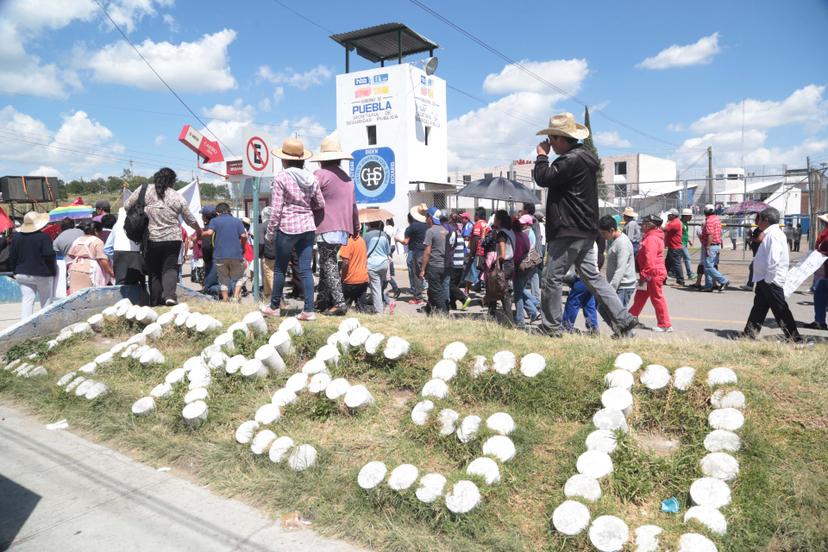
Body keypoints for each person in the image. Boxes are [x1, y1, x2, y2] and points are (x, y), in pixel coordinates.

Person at [533, 112, 638, 337]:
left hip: (568, 229)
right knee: (593, 278)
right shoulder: (585, 158)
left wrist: (542, 156)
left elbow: (544, 178)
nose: (549, 144)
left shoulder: (570, 159)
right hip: (585, 230)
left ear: (562, 138)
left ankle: (550, 327)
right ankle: (623, 318)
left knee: (551, 278)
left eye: (552, 139)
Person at [262, 138, 325, 320]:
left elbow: (276, 209)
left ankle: (274, 306)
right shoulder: (312, 178)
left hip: (287, 228)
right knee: (305, 270)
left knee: (281, 269)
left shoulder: (282, 177)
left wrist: (270, 233)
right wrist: (306, 208)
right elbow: (320, 203)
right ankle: (308, 310)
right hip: (308, 227)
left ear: (284, 160)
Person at [125, 167, 201, 306]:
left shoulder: (144, 189)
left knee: (154, 272)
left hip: (151, 239)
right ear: (172, 181)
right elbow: (190, 218)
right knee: (170, 268)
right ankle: (170, 296)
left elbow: (127, 205)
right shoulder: (176, 196)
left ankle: (155, 302)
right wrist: (199, 230)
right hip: (173, 239)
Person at [312, 133, 360, 316]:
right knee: (326, 263)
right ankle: (323, 300)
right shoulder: (347, 179)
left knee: (329, 263)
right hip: (343, 228)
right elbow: (354, 207)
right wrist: (356, 227)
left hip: (326, 226)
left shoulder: (320, 174)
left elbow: (310, 198)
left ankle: (339, 303)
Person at [741, 207, 802, 342]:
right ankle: (749, 335)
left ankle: (794, 338)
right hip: (765, 279)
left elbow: (773, 259)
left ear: (766, 220)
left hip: (770, 279)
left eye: (760, 220)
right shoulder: (771, 233)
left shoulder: (773, 234)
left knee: (781, 309)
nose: (758, 223)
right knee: (759, 308)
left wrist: (769, 279)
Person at [10, 211, 56, 319]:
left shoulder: (16, 237)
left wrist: (14, 271)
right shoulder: (44, 237)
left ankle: (25, 326)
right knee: (46, 301)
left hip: (22, 273)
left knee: (27, 300)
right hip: (42, 273)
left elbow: (12, 256)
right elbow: (48, 254)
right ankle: (46, 324)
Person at [201, 202, 247, 302]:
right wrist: (242, 247)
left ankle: (225, 300)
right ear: (229, 210)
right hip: (236, 254)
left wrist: (200, 233)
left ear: (217, 212)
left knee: (223, 279)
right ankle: (235, 297)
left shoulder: (214, 221)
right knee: (239, 277)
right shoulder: (237, 221)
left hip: (220, 255)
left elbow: (209, 233)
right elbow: (244, 236)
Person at [597, 215, 637, 315]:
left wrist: (611, 289)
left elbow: (621, 269)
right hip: (618, 285)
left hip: (623, 286)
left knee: (616, 314)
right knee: (606, 310)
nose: (602, 236)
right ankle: (622, 330)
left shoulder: (622, 243)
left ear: (611, 230)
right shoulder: (613, 240)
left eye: (603, 233)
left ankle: (627, 331)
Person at [66, 220, 114, 293]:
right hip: (90, 271)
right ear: (96, 230)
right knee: (88, 296)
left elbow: (70, 253)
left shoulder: (78, 239)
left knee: (75, 294)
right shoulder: (97, 241)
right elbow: (102, 260)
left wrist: (81, 257)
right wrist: (111, 273)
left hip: (75, 268)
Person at [483, 210, 514, 320]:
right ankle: (491, 315)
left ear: (499, 220)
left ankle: (508, 319)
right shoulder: (510, 231)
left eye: (495, 218)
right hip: (511, 264)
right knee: (497, 289)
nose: (493, 220)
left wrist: (494, 262)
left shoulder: (502, 233)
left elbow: (503, 254)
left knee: (500, 291)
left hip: (504, 265)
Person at [420, 208, 451, 315]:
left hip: (434, 266)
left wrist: (422, 269)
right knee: (435, 289)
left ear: (430, 218)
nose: (425, 219)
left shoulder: (430, 231)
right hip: (445, 266)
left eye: (426, 217)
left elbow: (427, 252)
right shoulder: (445, 230)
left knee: (436, 291)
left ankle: (445, 315)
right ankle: (430, 309)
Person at [104, 207, 145, 289]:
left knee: (120, 284)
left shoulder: (117, 226)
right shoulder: (140, 223)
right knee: (138, 281)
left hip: (119, 253)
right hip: (136, 255)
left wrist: (116, 257)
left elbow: (107, 248)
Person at [397, 205, 428, 305]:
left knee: (417, 275)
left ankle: (418, 298)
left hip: (417, 253)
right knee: (428, 275)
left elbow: (406, 242)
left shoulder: (411, 227)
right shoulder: (428, 225)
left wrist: (397, 239)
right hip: (428, 252)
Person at [513, 214, 540, 328]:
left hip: (523, 265)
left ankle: (520, 320)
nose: (522, 224)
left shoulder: (526, 234)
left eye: (523, 223)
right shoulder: (528, 233)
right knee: (521, 291)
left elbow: (520, 252)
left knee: (518, 294)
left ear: (529, 224)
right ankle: (534, 310)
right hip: (528, 265)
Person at [803, 213, 828, 330]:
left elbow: (822, 250)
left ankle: (820, 321)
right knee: (819, 297)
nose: (824, 224)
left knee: (820, 296)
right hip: (822, 271)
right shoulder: (824, 234)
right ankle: (819, 321)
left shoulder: (826, 236)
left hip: (825, 272)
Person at [365, 220, 395, 314]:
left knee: (376, 288)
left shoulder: (367, 235)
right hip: (384, 264)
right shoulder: (384, 235)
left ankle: (379, 311)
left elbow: (364, 250)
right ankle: (388, 302)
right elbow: (388, 251)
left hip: (372, 264)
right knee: (379, 287)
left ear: (370, 224)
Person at [700, 203, 729, 292]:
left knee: (708, 267)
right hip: (716, 245)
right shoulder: (716, 219)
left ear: (706, 211)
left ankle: (723, 280)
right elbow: (719, 232)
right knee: (709, 266)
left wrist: (708, 247)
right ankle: (708, 286)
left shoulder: (709, 221)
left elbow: (710, 234)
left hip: (711, 246)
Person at [338, 233, 369, 309]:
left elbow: (345, 262)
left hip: (350, 280)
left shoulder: (348, 242)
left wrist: (341, 275)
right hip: (363, 278)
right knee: (361, 308)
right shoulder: (362, 241)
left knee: (344, 308)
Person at [463, 207, 488, 295]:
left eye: (475, 214)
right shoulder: (486, 224)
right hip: (484, 252)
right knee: (481, 272)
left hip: (477, 252)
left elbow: (476, 239)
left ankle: (466, 292)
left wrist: (471, 253)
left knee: (470, 272)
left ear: (477, 215)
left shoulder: (478, 224)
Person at [448, 215, 471, 310]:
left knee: (451, 285)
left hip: (455, 264)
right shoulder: (460, 234)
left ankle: (464, 299)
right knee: (454, 285)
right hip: (460, 264)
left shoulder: (454, 234)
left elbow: (450, 248)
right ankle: (452, 304)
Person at [664, 208, 685, 286]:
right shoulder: (673, 221)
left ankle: (680, 281)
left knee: (676, 264)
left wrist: (657, 224)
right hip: (672, 247)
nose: (668, 216)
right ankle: (663, 279)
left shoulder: (675, 223)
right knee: (667, 264)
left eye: (669, 215)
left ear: (673, 215)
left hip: (675, 247)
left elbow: (664, 228)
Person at [680, 208, 696, 280]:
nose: (691, 218)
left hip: (684, 243)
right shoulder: (680, 223)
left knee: (677, 260)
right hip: (681, 244)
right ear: (685, 216)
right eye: (690, 216)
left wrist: (689, 240)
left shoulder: (685, 223)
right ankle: (689, 274)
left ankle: (671, 272)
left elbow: (685, 233)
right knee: (687, 258)